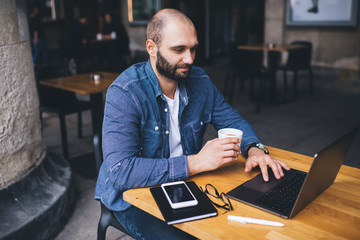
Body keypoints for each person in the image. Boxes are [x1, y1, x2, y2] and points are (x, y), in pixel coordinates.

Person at [95, 8, 289, 239]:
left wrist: (254, 149)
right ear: (151, 48)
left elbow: (231, 118)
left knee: (245, 225)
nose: (189, 59)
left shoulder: (199, 80)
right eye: (179, 49)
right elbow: (121, 172)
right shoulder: (125, 92)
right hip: (132, 198)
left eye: (193, 48)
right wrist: (195, 163)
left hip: (184, 185)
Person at [29, 4, 48, 68]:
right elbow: (35, 29)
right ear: (34, 9)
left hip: (35, 37)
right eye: (36, 9)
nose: (38, 10)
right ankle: (44, 64)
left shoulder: (30, 18)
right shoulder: (35, 18)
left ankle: (35, 64)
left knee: (37, 52)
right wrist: (36, 38)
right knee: (41, 51)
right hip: (38, 37)